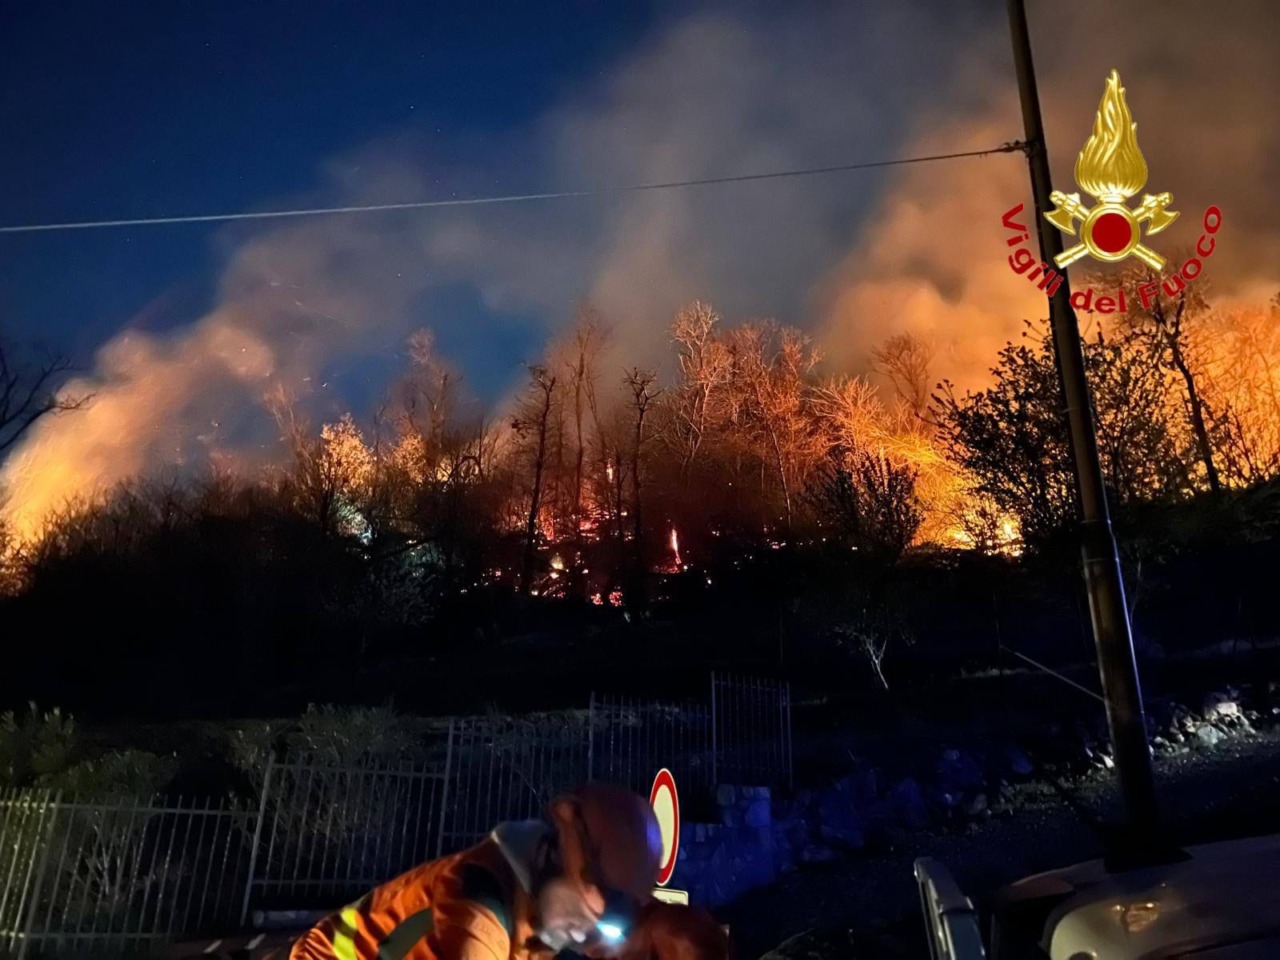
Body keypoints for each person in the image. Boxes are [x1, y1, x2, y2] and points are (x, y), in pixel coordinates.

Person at [279, 783, 663, 960]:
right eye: (580, 913)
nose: (581, 933)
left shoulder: (543, 915)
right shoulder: (476, 911)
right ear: (553, 857)